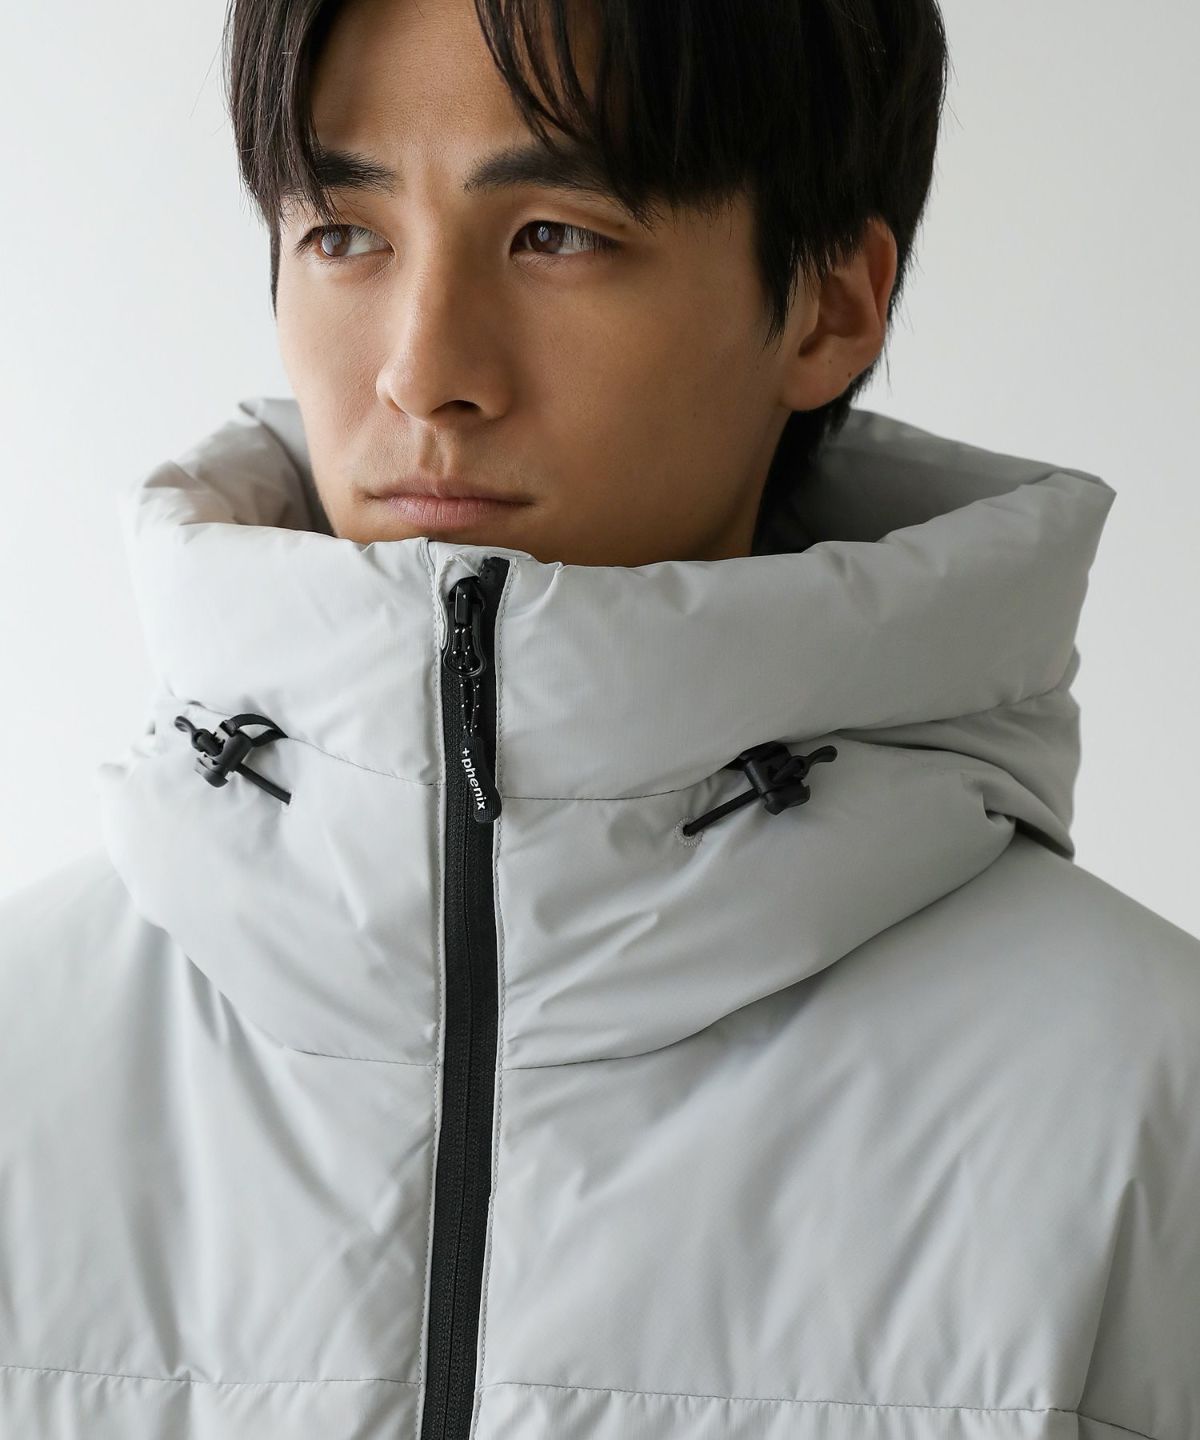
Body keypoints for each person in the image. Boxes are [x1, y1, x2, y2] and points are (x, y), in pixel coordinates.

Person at [1, 0, 1197, 1436]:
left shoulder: (1149, 1108)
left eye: (555, 235)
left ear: (831, 303)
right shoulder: (26, 1055)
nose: (422, 370)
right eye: (344, 232)